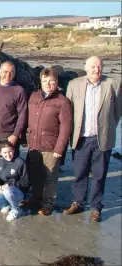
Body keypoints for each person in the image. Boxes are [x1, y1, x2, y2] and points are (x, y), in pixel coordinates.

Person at [63, 56, 121, 222]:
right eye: (93, 66)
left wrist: (107, 128)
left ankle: (96, 207)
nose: (97, 69)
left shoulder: (112, 84)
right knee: (79, 173)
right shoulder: (74, 84)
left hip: (101, 138)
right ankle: (78, 202)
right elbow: (68, 111)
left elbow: (117, 112)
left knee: (99, 174)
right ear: (86, 68)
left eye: (100, 66)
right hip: (80, 138)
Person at [24, 68, 73, 216]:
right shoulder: (33, 97)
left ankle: (48, 204)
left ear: (56, 82)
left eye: (51, 81)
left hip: (51, 146)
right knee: (36, 174)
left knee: (50, 177)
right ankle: (36, 198)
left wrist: (59, 148)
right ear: (40, 82)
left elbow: (66, 127)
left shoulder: (62, 101)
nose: (48, 84)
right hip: (33, 144)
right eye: (45, 81)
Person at [0, 141, 29, 221]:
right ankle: (8, 204)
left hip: (18, 191)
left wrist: (10, 185)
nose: (8, 155)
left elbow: (25, 182)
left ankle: (16, 209)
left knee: (8, 191)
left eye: (10, 151)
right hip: (4, 189)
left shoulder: (21, 162)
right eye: (5, 152)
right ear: (0, 152)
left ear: (13, 150)